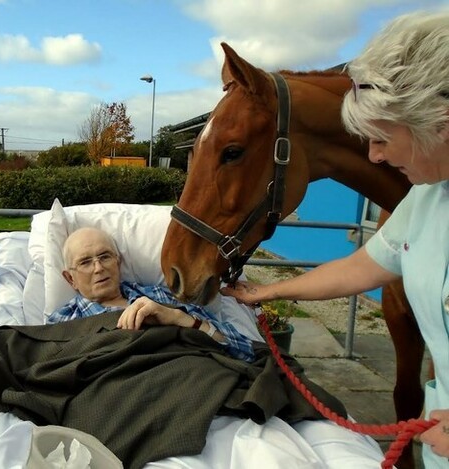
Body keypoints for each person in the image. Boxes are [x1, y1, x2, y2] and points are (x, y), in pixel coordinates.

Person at [220, 11, 449, 467]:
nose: (374, 155)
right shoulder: (425, 201)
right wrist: (268, 290)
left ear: (439, 120)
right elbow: (359, 267)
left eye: (382, 137)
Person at [46, 226, 255, 362]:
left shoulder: (159, 297)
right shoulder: (63, 322)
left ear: (118, 263)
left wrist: (179, 318)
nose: (98, 268)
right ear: (70, 279)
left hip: (192, 381)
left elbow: (243, 349)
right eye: (85, 262)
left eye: (105, 256)